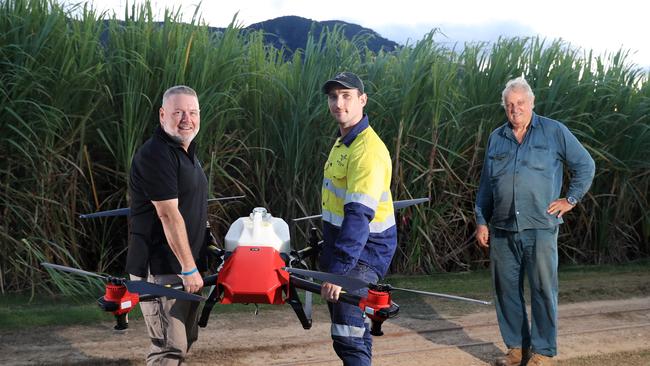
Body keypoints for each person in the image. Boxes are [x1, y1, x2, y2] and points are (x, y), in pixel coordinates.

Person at [475, 77, 595, 366]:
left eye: (520, 103)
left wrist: (571, 199)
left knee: (542, 289)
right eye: (509, 105)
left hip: (541, 227)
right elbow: (486, 186)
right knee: (506, 291)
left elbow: (585, 165)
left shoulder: (554, 132)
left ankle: (543, 352)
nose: (515, 109)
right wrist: (481, 220)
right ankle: (517, 349)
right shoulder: (496, 137)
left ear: (531, 103)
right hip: (502, 228)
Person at [126, 85, 208, 365]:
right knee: (169, 348)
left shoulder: (186, 153)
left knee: (184, 341)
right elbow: (168, 215)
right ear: (162, 115)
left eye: (193, 112)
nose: (187, 118)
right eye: (178, 112)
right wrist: (188, 267)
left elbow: (190, 209)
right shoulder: (157, 154)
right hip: (160, 268)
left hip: (183, 269)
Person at [319, 72, 397, 365]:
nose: (339, 103)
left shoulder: (366, 150)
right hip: (345, 248)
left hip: (364, 252)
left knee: (349, 335)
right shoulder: (344, 143)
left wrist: (340, 272)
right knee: (347, 333)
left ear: (362, 100)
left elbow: (359, 215)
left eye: (346, 96)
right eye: (333, 97)